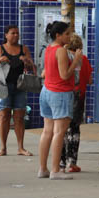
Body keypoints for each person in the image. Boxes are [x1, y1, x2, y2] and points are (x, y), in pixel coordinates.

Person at [38, 21, 84, 180]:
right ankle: (55, 169)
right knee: (59, 132)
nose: (69, 37)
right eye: (67, 34)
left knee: (47, 131)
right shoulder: (61, 51)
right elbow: (65, 75)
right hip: (60, 93)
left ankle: (43, 168)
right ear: (58, 35)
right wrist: (77, 59)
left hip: (47, 91)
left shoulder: (49, 49)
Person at [0, 25, 35, 157]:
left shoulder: (24, 49)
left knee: (19, 117)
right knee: (4, 115)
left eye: (17, 33)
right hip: (4, 86)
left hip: (20, 86)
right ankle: (3, 147)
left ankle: (20, 147)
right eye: (12, 33)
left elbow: (32, 68)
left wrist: (26, 61)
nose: (16, 35)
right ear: (6, 35)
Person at [60, 34, 92, 173]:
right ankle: (72, 162)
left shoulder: (65, 58)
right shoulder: (83, 59)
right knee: (74, 128)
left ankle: (61, 162)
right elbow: (90, 80)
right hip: (79, 95)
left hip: (65, 94)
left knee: (62, 129)